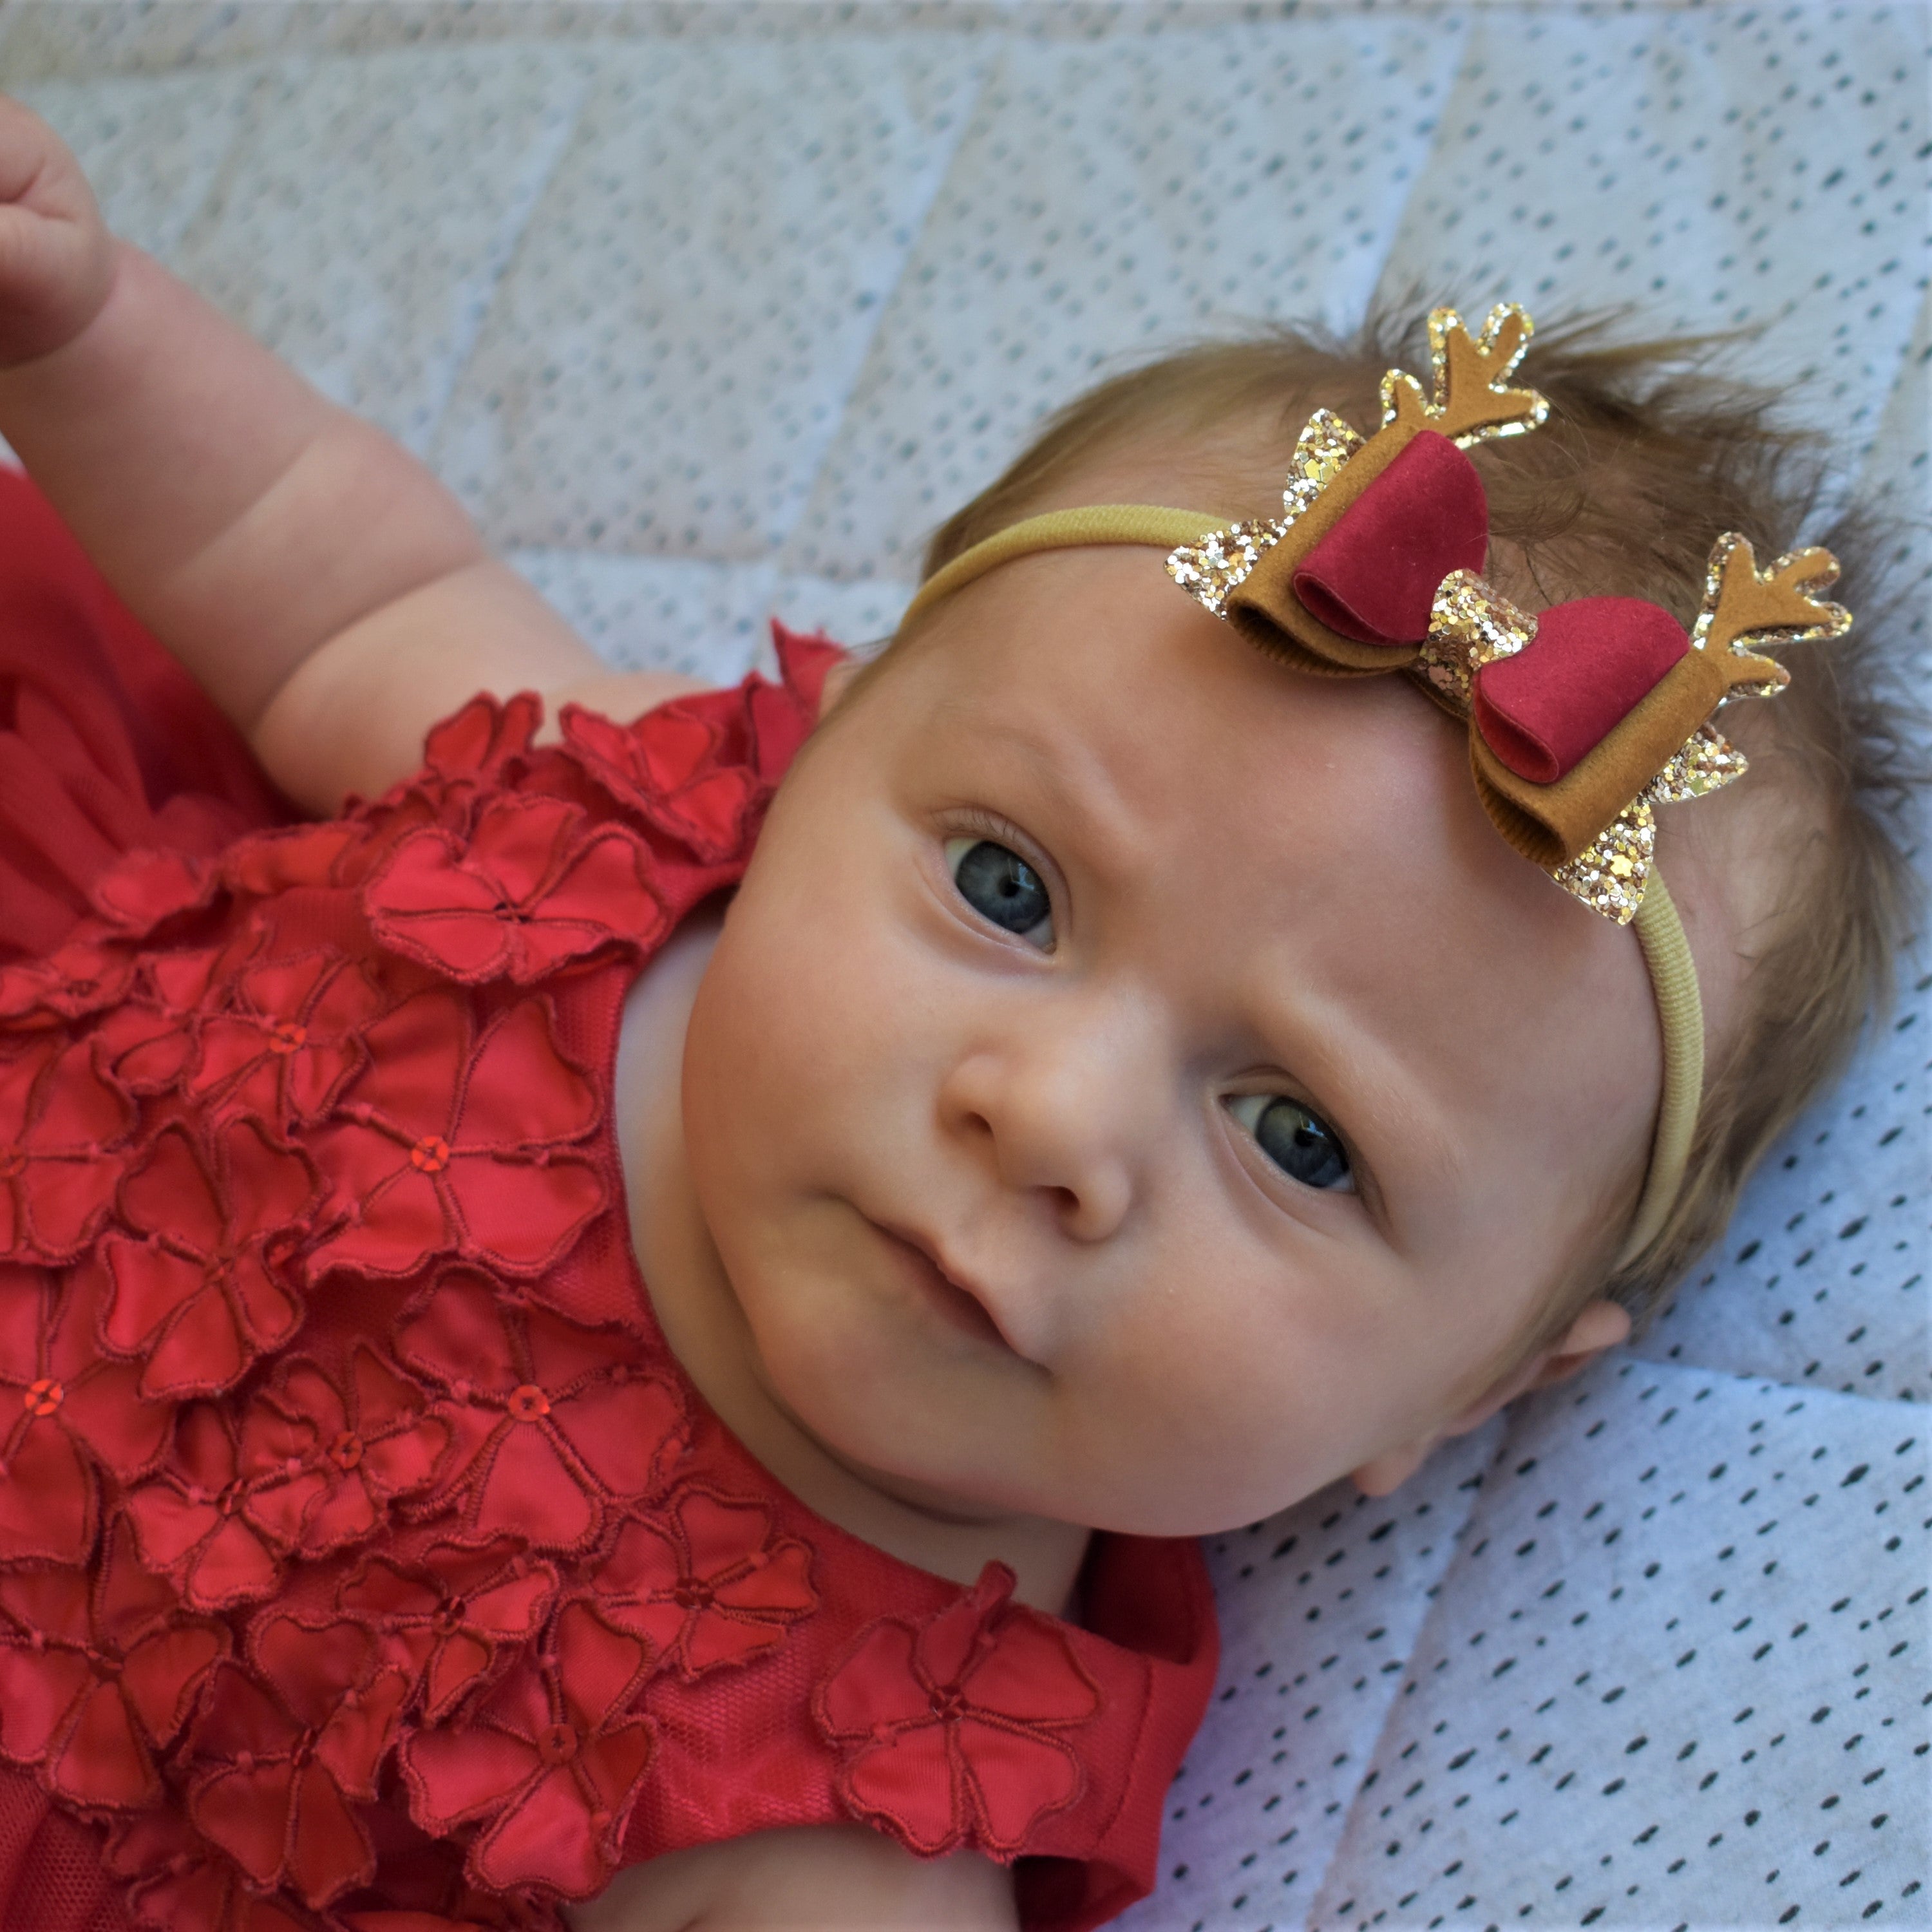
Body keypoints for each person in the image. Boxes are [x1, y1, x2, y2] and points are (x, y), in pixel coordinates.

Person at [0, 92, 1915, 1932]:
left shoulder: (826, 1823)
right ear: (825, 744)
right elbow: (326, 585)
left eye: (1302, 1137)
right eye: (1009, 888)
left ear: (1474, 1386)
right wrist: (85, 324)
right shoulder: (592, 823)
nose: (1057, 1119)